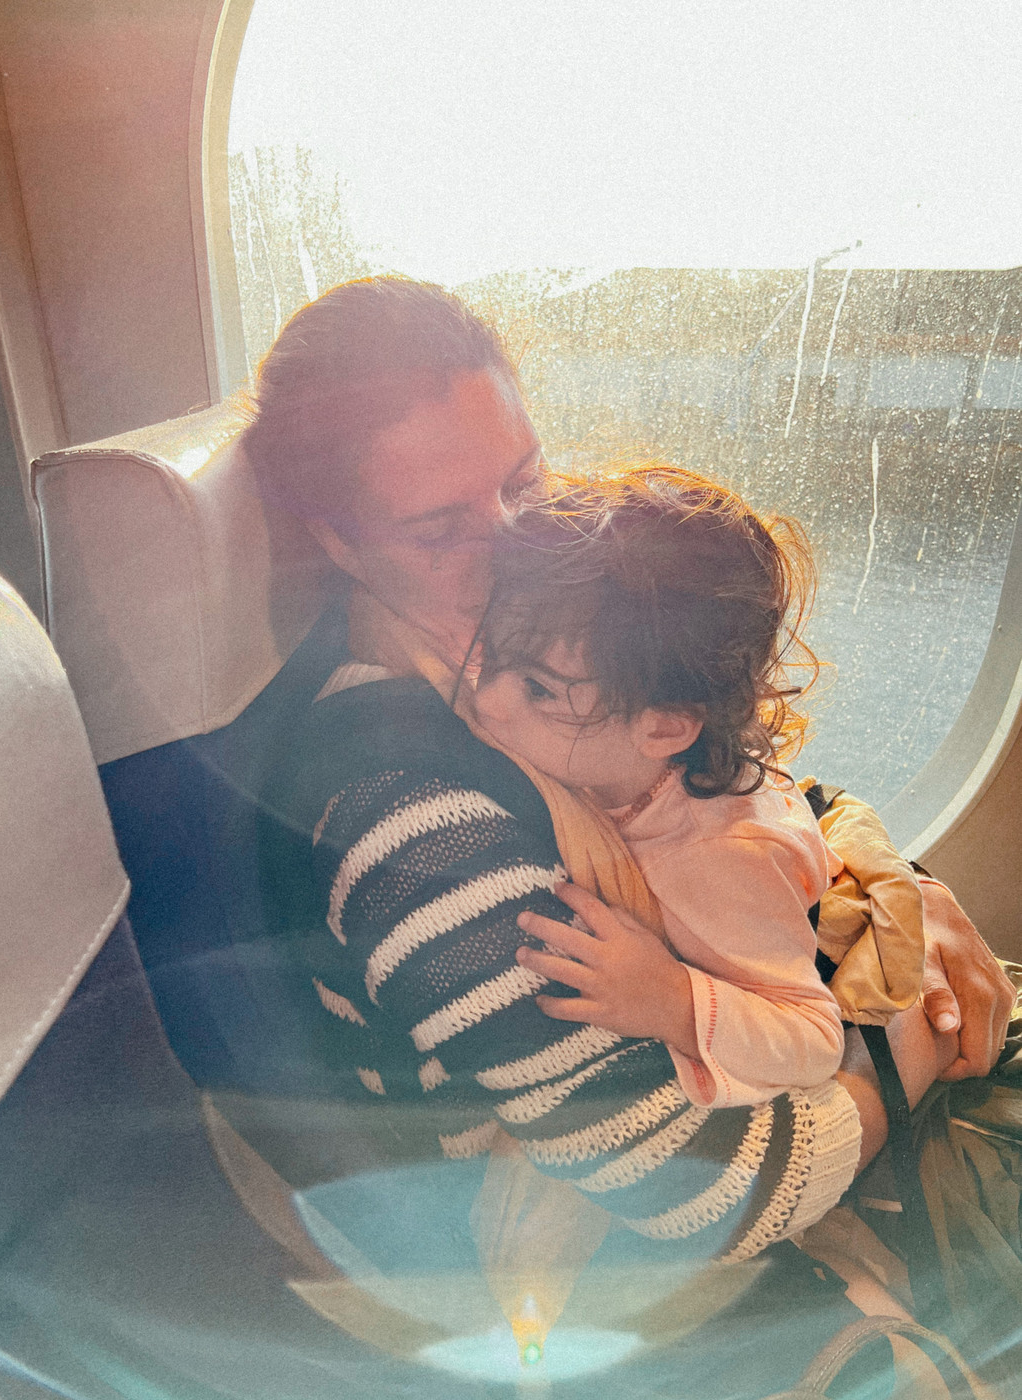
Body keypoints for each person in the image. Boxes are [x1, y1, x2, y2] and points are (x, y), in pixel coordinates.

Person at [245, 276, 1016, 1382]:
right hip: (629, 1234)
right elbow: (700, 1192)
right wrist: (902, 1052)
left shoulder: (497, 649)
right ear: (341, 544)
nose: (516, 544)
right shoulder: (416, 819)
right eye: (439, 528)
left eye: (522, 483)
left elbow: (706, 778)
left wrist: (889, 878)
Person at [471, 464, 845, 1109]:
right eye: (492, 659)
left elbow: (814, 1039)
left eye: (538, 689)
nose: (488, 701)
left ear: (667, 726)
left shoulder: (718, 859)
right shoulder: (601, 739)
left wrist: (671, 999)